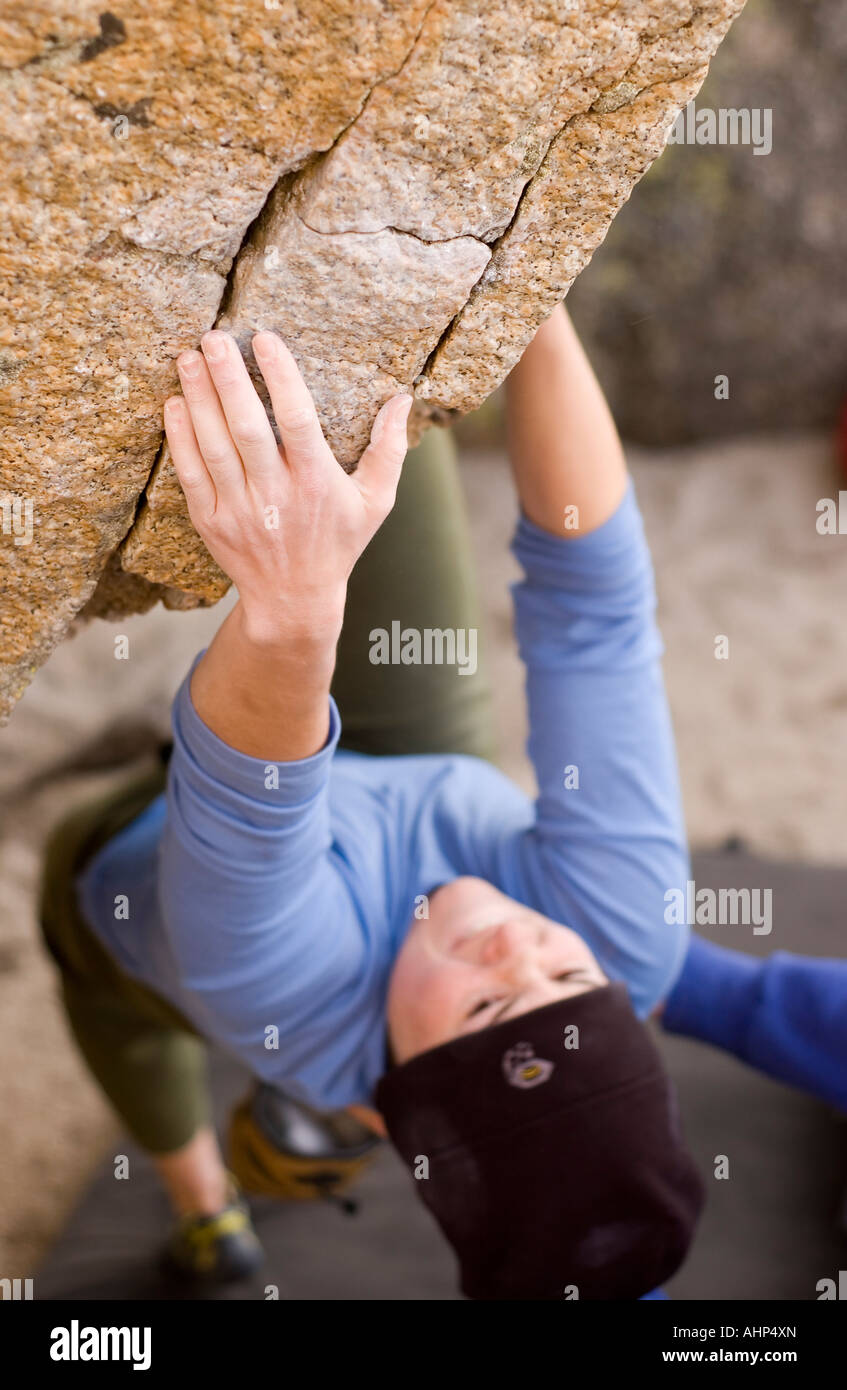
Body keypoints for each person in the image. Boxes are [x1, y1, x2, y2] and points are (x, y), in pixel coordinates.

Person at [40, 305, 709, 1299]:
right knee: (374, 422)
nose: (516, 948)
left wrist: (294, 609)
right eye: (567, 975)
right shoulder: (629, 932)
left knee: (130, 1034)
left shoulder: (287, 996)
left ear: (396, 1104)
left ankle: (206, 1212)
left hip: (127, 885)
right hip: (404, 781)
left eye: (486, 1006)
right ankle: (301, 1139)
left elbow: (248, 800)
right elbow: (595, 617)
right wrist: (530, 291)